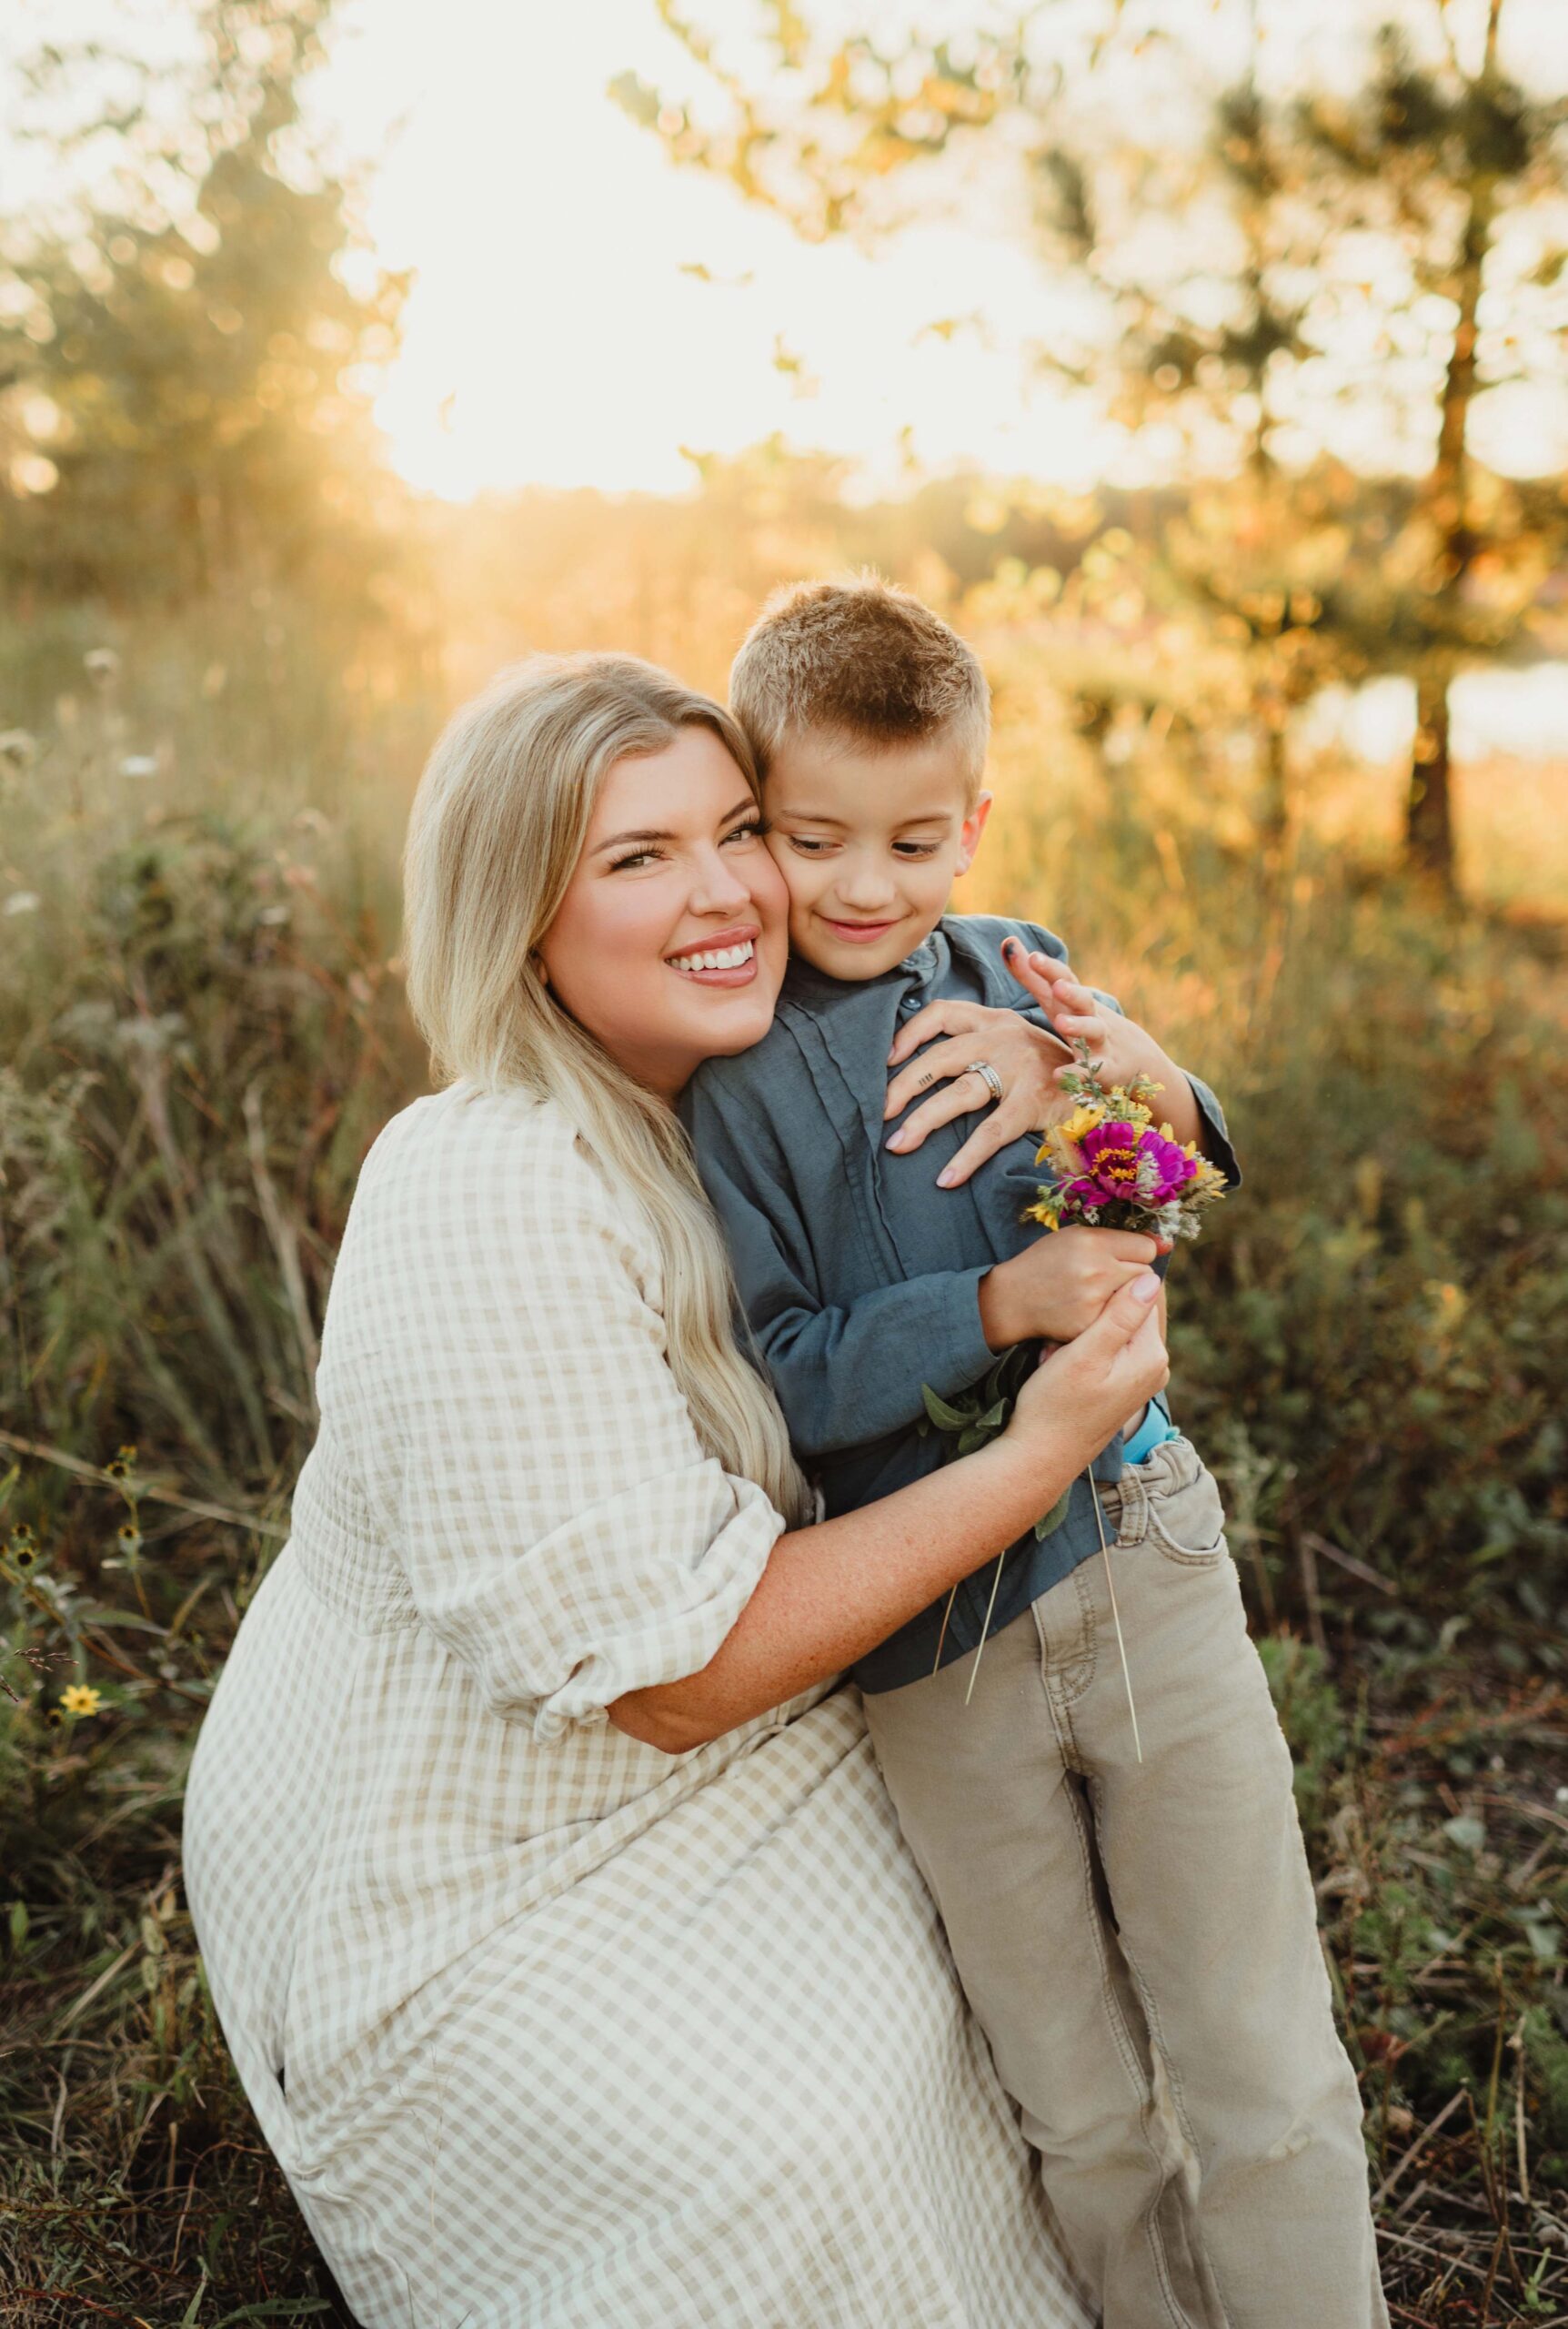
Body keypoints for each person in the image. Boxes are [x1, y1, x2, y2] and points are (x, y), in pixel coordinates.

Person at [182, 651, 1170, 2329]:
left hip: (763, 1719)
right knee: (801, 2146)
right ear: (523, 923)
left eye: (738, 830)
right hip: (477, 1846)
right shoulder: (489, 1178)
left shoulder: (753, 1102)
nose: (729, 894)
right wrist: (1040, 1455)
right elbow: (667, 1682)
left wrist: (1069, 1063)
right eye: (639, 857)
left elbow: (1089, 1146)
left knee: (1068, 1984)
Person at [681, 576, 1388, 2329]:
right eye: (816, 840)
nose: (867, 886)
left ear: (975, 824)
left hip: (1138, 1544)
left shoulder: (1018, 971)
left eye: (917, 842)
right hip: (938, 1646)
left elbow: (1185, 1160)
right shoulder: (726, 1087)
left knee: (1262, 2059)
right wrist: (994, 1301)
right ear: (757, 822)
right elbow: (779, 1378)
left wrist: (1107, 1069)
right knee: (1079, 2102)